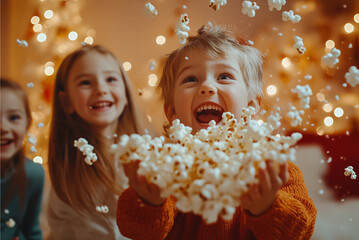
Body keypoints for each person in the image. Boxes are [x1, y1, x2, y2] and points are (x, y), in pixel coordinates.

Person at [117, 24, 317, 240]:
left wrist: (268, 207)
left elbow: (300, 231)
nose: (207, 87)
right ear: (172, 112)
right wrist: (150, 203)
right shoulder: (167, 170)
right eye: (191, 79)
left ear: (251, 106)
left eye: (224, 77)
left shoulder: (274, 171)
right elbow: (135, 229)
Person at [46, 45, 152, 239]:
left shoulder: (149, 155)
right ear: (66, 102)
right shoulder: (66, 175)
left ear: (127, 94)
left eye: (110, 79)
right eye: (85, 82)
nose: (101, 89)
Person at [1, 78, 45, 240]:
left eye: (13, 117)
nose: (3, 128)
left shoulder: (33, 174)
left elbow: (32, 230)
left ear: (28, 122)